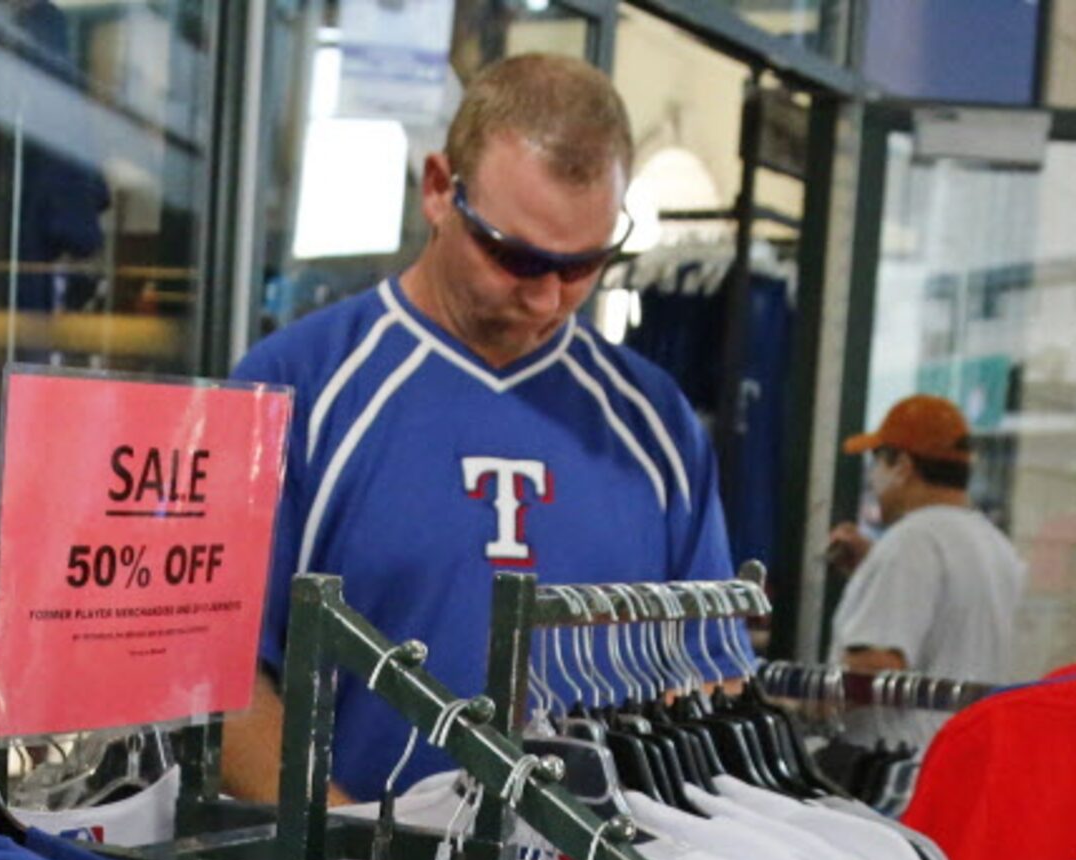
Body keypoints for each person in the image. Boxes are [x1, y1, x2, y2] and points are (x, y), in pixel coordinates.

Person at [220, 54, 738, 803]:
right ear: (439, 190)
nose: (547, 298)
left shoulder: (655, 423)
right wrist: (344, 854)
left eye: (585, 265)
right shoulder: (301, 387)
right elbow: (223, 676)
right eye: (516, 257)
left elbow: (706, 682)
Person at [824, 395, 1027, 683]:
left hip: (900, 730)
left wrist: (795, 702)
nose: (872, 478)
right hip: (962, 727)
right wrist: (873, 567)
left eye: (876, 461)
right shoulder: (995, 544)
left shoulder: (911, 542)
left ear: (902, 467)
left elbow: (872, 669)